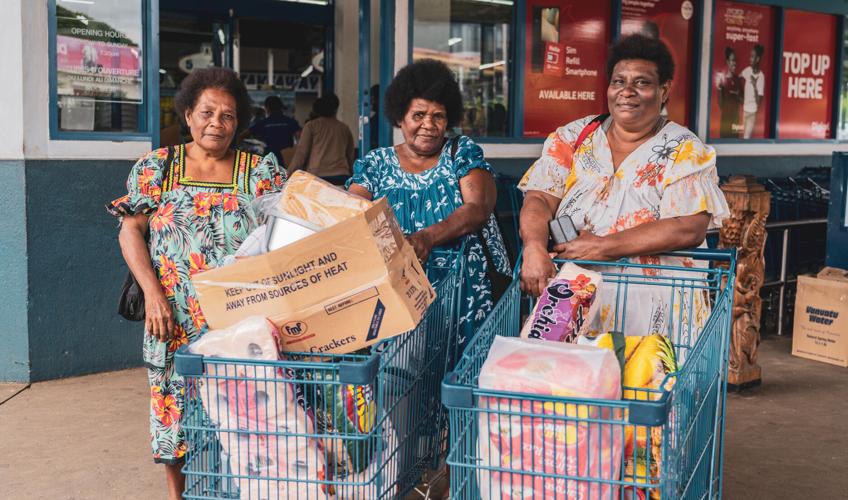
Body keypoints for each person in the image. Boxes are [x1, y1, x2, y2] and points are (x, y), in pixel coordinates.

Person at [107, 68, 285, 500]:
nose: (216, 124)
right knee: (174, 418)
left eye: (228, 116)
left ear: (239, 122)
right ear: (188, 114)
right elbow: (130, 231)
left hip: (238, 321)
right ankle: (178, 496)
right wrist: (152, 294)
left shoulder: (258, 170)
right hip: (170, 318)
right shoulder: (158, 168)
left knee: (245, 415)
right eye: (207, 112)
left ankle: (241, 491)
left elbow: (283, 233)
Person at [518, 34, 729, 342]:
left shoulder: (685, 149)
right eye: (618, 81)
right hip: (575, 299)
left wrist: (603, 246)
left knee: (642, 383)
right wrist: (534, 247)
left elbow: (688, 227)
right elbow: (539, 196)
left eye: (641, 83)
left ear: (664, 90)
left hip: (654, 306)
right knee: (572, 383)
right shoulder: (574, 137)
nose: (626, 92)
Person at [347, 59, 510, 344]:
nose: (429, 125)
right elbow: (351, 212)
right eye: (418, 115)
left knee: (464, 374)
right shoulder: (375, 164)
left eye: (438, 116)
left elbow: (477, 209)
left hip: (468, 290)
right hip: (403, 295)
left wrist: (426, 237)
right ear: (400, 118)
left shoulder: (461, 152)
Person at [287, 93, 355, 186]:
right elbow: (350, 155)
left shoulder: (311, 126)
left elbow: (301, 153)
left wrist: (288, 174)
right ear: (335, 109)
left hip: (318, 176)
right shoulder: (344, 128)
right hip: (341, 176)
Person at [250, 95, 301, 164]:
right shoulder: (290, 121)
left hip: (270, 160)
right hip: (287, 159)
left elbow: (246, 133)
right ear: (281, 107)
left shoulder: (264, 123)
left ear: (267, 108)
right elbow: (300, 137)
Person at [717, 46, 743, 138]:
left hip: (736, 121)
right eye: (732, 60)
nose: (734, 63)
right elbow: (720, 104)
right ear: (727, 62)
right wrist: (719, 89)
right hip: (726, 121)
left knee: (735, 143)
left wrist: (737, 96)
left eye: (735, 60)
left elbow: (742, 101)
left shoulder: (738, 80)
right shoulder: (723, 80)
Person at [741, 44, 765, 139]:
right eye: (750, 56)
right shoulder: (747, 70)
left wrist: (755, 85)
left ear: (758, 59)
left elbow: (758, 101)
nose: (750, 59)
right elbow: (738, 78)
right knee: (742, 137)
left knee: (746, 138)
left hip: (752, 113)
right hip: (744, 111)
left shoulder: (761, 76)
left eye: (752, 56)